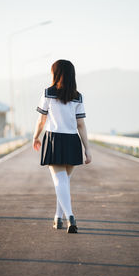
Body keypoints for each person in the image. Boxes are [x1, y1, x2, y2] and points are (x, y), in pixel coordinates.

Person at [32, 59, 92, 233]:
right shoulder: (77, 96)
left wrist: (35, 136)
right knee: (64, 182)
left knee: (60, 181)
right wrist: (87, 148)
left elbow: (41, 119)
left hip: (54, 140)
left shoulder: (48, 93)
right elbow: (81, 124)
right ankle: (58, 218)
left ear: (55, 74)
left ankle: (70, 217)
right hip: (73, 141)